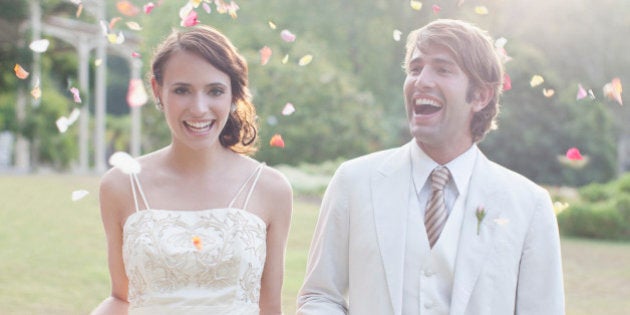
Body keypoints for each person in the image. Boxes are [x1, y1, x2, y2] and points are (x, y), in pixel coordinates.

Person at [297, 19, 564, 315]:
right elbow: (320, 296)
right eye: (415, 68)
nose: (421, 80)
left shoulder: (529, 205)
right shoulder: (354, 181)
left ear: (480, 95)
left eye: (443, 69)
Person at [91, 25, 293, 315]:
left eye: (215, 91)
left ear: (233, 94)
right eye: (182, 90)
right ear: (158, 90)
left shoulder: (271, 189)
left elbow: (270, 308)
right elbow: (121, 299)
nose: (199, 108)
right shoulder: (120, 185)